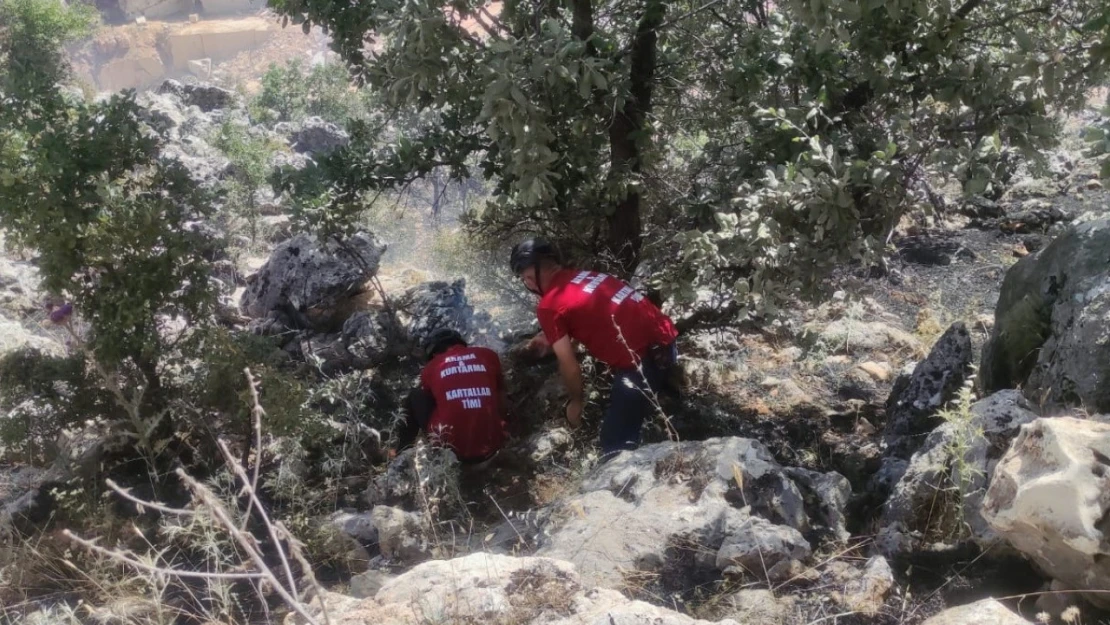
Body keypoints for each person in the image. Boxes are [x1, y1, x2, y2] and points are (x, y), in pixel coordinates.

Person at [510, 238, 679, 457]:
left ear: (534, 274)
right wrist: (551, 337)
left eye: (527, 278)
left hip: (645, 362)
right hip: (667, 340)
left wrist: (576, 403)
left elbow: (569, 365)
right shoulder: (585, 275)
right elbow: (591, 316)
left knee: (613, 442)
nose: (529, 284)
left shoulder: (549, 305)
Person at [394, 328, 509, 465]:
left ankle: (401, 453)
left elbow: (432, 399)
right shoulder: (488, 355)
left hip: (451, 453)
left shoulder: (430, 368)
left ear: (434, 352)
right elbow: (501, 396)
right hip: (492, 448)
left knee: (416, 396)